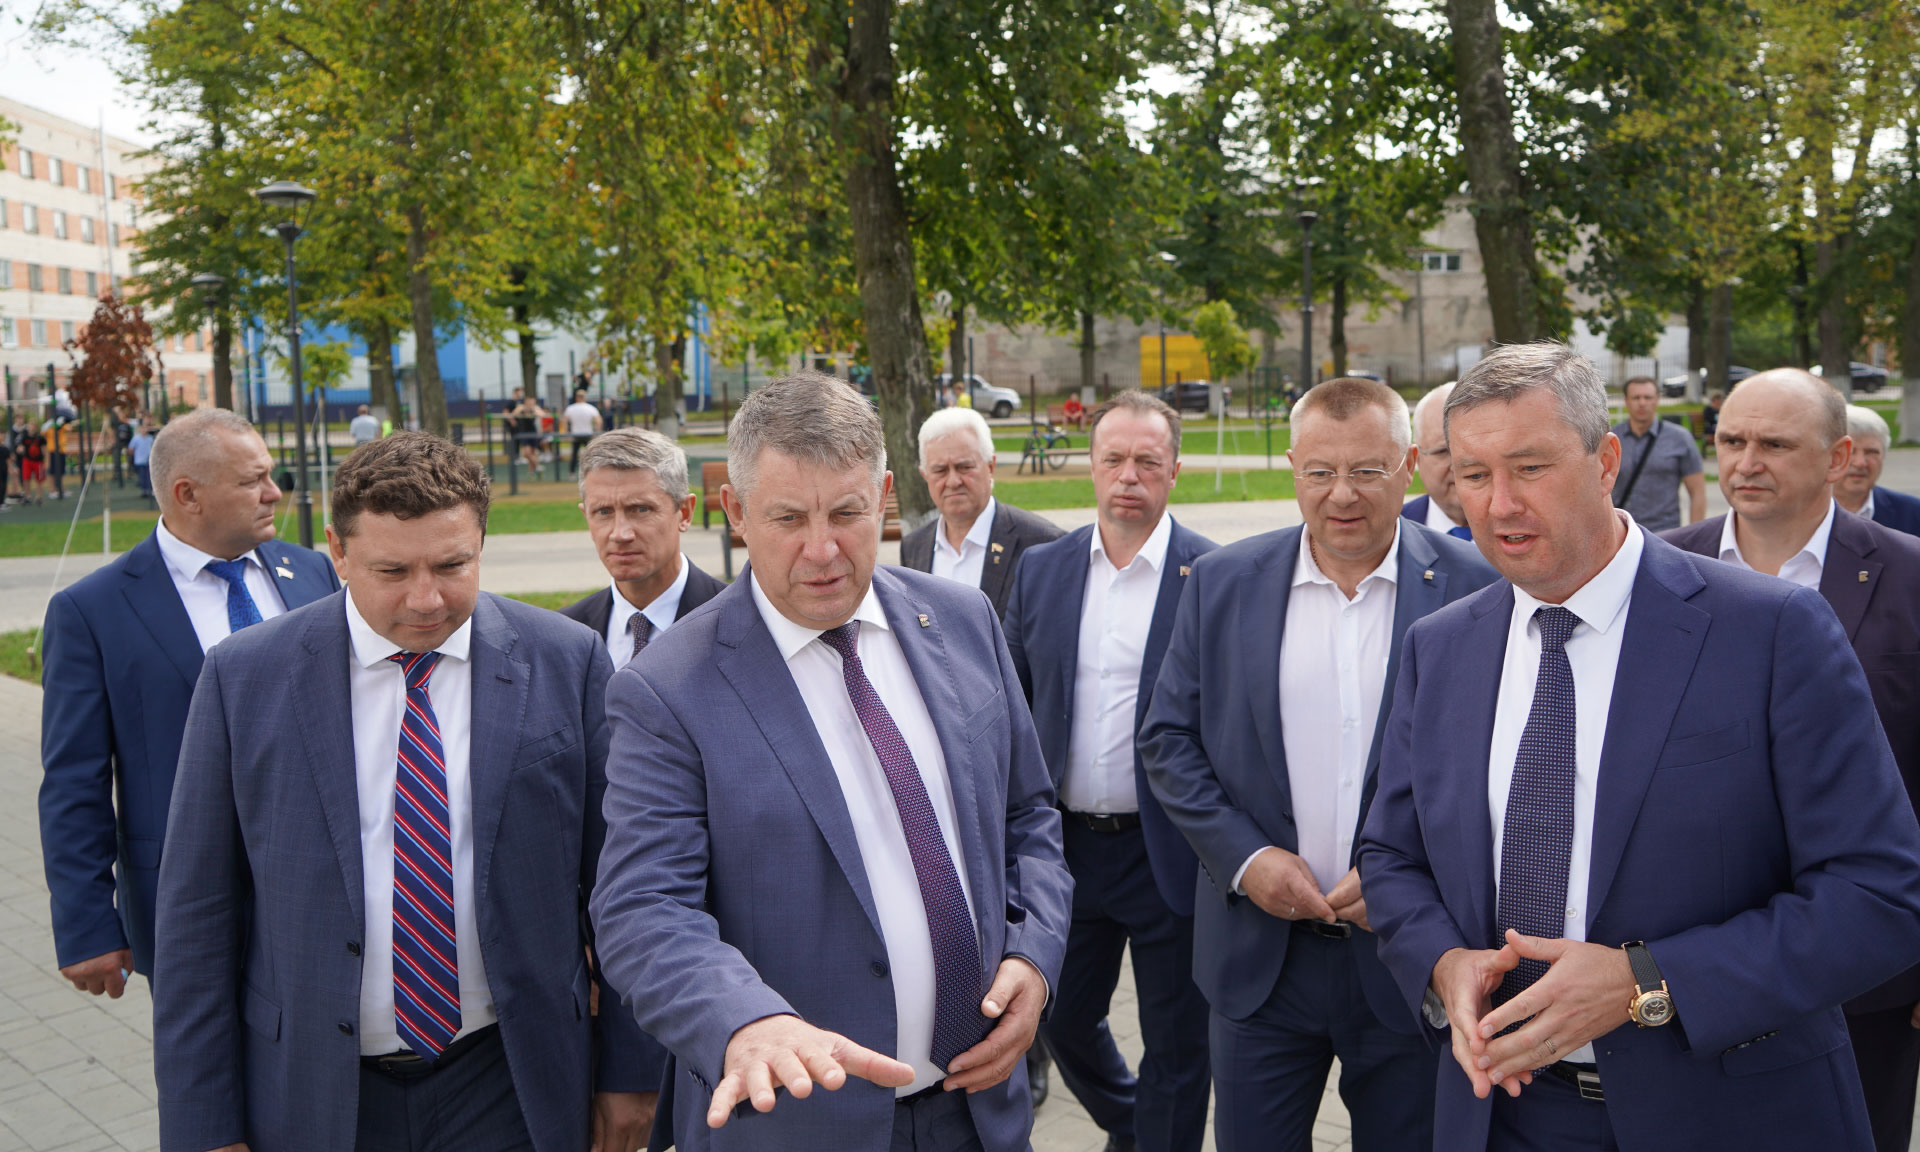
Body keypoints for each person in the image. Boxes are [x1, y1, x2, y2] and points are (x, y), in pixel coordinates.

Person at [1356, 343, 1920, 1152]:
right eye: (1474, 474)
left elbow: (1880, 894)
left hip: (1728, 1114)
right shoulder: (1439, 646)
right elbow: (1391, 854)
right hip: (1503, 1111)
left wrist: (1645, 982)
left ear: (1605, 461)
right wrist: (1443, 963)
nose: (1500, 503)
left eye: (1530, 467)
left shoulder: (1771, 630)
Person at [589, 371, 1072, 1152]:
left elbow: (1028, 815)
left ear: (884, 497)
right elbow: (644, 909)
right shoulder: (666, 688)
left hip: (980, 1111)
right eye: (788, 518)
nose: (822, 550)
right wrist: (744, 1021)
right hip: (795, 1122)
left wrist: (1034, 956)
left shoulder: (963, 619)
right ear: (735, 512)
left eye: (847, 513)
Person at [152, 432, 661, 1152]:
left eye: (452, 565)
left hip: (512, 1079)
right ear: (338, 552)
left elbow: (626, 885)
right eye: (392, 571)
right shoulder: (244, 678)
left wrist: (632, 1071)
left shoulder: (566, 660)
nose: (426, 599)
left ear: (481, 544)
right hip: (315, 1089)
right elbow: (196, 915)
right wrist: (204, 1124)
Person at [1141, 378, 1497, 1152]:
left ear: (1409, 465)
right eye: (1320, 471)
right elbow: (1167, 740)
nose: (1342, 494)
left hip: (1409, 958)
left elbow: (1500, 764)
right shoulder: (1222, 583)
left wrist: (1409, 873)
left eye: (1367, 471)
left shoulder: (1479, 588)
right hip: (1258, 958)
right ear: (1292, 467)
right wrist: (1245, 860)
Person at [1662, 371, 1920, 1152]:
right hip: (1686, 964)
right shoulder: (1659, 570)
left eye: (1774, 444)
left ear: (1839, 457)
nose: (1746, 463)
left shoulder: (1911, 576)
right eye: (1731, 441)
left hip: (1866, 968)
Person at [38, 409, 340, 998]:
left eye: (270, 474)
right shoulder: (92, 611)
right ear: (188, 495)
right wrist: (86, 925)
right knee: (206, 1057)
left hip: (324, 894)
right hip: (190, 908)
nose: (274, 492)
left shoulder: (311, 573)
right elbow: (74, 781)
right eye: (252, 480)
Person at [1001, 391, 1216, 1152]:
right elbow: (1012, 704)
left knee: (1179, 1044)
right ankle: (1133, 1125)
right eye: (1114, 459)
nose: (1129, 476)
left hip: (1172, 853)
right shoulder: (1043, 570)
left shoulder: (1214, 575)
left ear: (1175, 471)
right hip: (1066, 853)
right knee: (1058, 1017)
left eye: (1147, 462)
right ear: (1091, 467)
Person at [558, 428, 726, 661]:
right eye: (603, 512)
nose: (620, 534)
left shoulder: (740, 622)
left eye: (641, 509)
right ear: (586, 516)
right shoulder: (564, 633)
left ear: (685, 513)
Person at [900, 407, 1064, 617]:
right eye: (940, 470)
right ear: (925, 476)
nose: (953, 481)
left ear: (991, 466)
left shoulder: (1043, 543)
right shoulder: (913, 547)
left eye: (965, 467)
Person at [1609, 375, 1705, 531]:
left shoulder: (1679, 438)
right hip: (1623, 532)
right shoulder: (1611, 440)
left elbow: (1697, 492)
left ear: (1657, 400)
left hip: (1666, 532)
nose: (1642, 403)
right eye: (1636, 398)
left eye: (1648, 397)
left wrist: (1695, 534)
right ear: (1626, 401)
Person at [1836, 403, 1920, 536]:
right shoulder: (1802, 512)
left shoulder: (1913, 514)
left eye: (1871, 452)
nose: (1860, 463)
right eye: (1850, 452)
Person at [1402, 382, 1470, 539]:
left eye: (1472, 448)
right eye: (1443, 451)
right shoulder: (1389, 532)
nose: (1459, 465)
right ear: (1415, 459)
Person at [564, 388, 604, 475]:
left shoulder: (570, 408)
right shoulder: (590, 408)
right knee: (590, 454)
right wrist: (597, 432)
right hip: (587, 434)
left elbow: (564, 421)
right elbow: (599, 421)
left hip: (576, 434)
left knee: (574, 454)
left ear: (576, 398)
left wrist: (566, 433)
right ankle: (592, 472)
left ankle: (572, 473)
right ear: (585, 397)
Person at [18, 419, 47, 504]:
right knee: (26, 478)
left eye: (34, 426)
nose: (32, 428)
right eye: (30, 426)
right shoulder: (24, 437)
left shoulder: (40, 438)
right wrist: (20, 449)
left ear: (36, 428)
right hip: (27, 460)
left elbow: (45, 450)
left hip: (38, 461)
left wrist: (46, 462)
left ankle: (38, 496)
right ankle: (28, 496)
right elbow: (20, 446)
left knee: (39, 479)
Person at [130, 423, 156, 500]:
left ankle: (150, 490)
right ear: (139, 429)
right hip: (139, 461)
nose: (144, 430)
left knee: (149, 476)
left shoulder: (150, 438)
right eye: (142, 428)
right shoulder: (136, 438)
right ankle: (143, 491)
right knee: (142, 476)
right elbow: (131, 448)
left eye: (145, 428)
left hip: (148, 461)